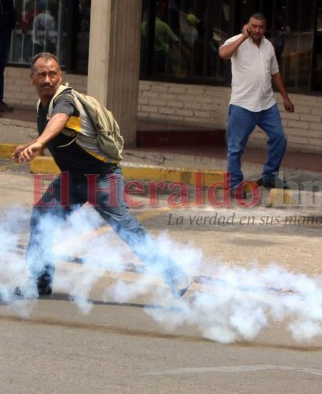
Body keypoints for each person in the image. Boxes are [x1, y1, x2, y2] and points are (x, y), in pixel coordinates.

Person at [12, 53, 192, 299]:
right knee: (42, 217)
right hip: (72, 179)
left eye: (52, 73)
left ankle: (175, 276)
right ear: (31, 78)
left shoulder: (65, 101)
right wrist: (31, 145)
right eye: (41, 74)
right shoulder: (43, 106)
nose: (47, 79)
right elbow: (56, 133)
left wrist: (39, 142)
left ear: (60, 76)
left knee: (128, 229)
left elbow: (60, 120)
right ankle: (40, 281)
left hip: (101, 178)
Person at [219, 12, 294, 196]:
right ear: (247, 25)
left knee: (279, 139)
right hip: (242, 104)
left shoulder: (268, 46)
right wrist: (243, 37)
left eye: (261, 27)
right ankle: (234, 186)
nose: (257, 30)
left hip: (266, 104)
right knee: (236, 147)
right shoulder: (237, 40)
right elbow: (223, 53)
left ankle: (270, 176)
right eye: (253, 26)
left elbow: (275, 73)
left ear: (265, 28)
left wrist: (285, 97)